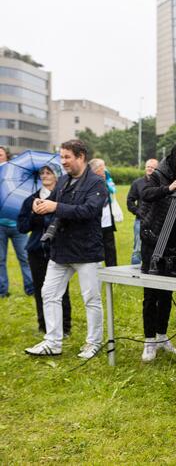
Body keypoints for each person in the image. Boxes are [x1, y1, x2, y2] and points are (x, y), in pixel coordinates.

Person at [24, 139, 107, 358]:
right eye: (61, 157)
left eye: (67, 157)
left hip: (87, 250)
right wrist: (37, 204)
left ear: (81, 157)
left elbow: (88, 211)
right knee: (48, 293)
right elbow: (51, 202)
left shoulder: (97, 183)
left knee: (91, 298)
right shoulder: (61, 181)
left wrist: (56, 206)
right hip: (60, 249)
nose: (63, 162)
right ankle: (52, 342)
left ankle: (94, 342)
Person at [139, 139, 176, 362]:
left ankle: (162, 336)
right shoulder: (158, 174)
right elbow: (145, 194)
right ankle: (148, 341)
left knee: (167, 293)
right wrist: (169, 188)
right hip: (153, 241)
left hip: (175, 243)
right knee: (151, 294)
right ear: (175, 157)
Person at [17, 165, 72, 334]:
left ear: (57, 176)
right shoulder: (31, 199)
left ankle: (65, 326)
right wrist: (35, 214)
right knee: (40, 289)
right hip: (36, 251)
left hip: (58, 250)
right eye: (42, 173)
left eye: (49, 173)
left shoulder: (63, 198)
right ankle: (43, 325)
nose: (45, 176)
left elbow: (68, 221)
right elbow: (22, 227)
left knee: (61, 290)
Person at [0, 146, 34, 298]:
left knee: (25, 257)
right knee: (0, 259)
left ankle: (31, 288)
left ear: (6, 156)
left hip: (18, 225)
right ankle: (2, 291)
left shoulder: (17, 175)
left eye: (0, 154)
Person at [127, 158, 158, 265]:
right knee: (138, 248)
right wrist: (138, 211)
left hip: (156, 221)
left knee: (155, 248)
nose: (149, 169)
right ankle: (134, 277)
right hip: (140, 221)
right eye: (148, 166)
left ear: (157, 169)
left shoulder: (160, 184)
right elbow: (130, 201)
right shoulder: (137, 183)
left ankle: (151, 271)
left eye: (152, 167)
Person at [88, 158, 118, 267]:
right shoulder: (89, 183)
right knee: (96, 250)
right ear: (96, 169)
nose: (104, 169)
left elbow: (112, 192)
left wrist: (105, 181)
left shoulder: (105, 180)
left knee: (110, 248)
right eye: (102, 167)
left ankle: (113, 272)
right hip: (95, 224)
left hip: (107, 222)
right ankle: (96, 271)